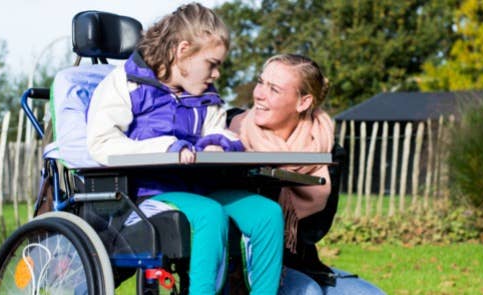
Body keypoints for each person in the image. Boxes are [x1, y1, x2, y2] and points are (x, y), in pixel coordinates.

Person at [86, 3, 283, 294]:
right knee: (209, 213)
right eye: (212, 63)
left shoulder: (205, 95)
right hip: (146, 194)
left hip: (200, 188)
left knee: (267, 213)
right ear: (183, 50)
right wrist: (168, 147)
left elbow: (217, 129)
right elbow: (101, 144)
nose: (216, 74)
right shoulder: (125, 84)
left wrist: (218, 143)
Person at [230, 54, 385, 295]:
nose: (259, 94)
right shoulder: (232, 134)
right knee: (308, 292)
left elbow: (315, 230)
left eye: (274, 89)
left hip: (298, 262)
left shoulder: (327, 150)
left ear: (303, 102)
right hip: (239, 265)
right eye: (261, 82)